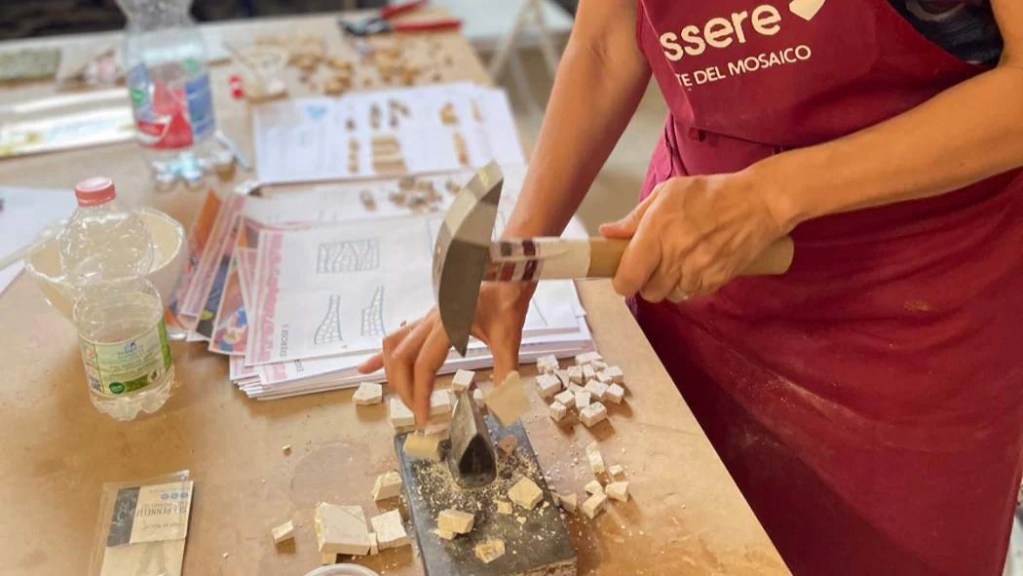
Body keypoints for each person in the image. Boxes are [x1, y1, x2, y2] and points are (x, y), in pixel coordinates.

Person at [360, 0, 1023, 573]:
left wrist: (771, 195)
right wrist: (517, 263)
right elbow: (604, 42)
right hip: (692, 281)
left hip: (917, 312)